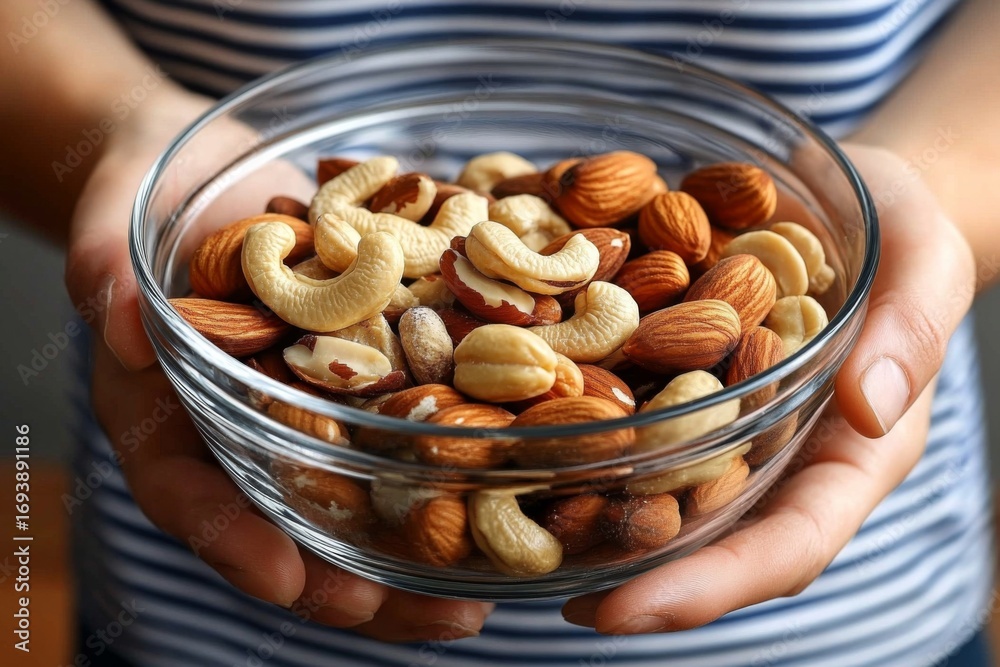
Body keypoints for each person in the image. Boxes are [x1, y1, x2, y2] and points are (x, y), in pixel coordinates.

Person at [2, 0, 997, 664]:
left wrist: (941, 188)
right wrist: (116, 125)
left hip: (851, 620)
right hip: (214, 605)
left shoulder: (693, 295)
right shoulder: (414, 295)